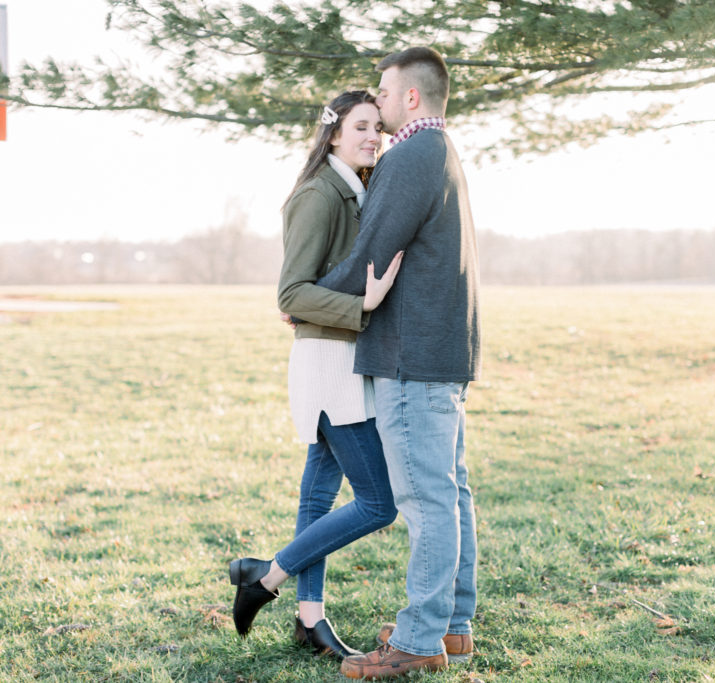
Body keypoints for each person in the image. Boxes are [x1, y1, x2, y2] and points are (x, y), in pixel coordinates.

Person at [314, 48, 482, 679]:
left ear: (411, 96)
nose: (377, 105)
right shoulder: (441, 150)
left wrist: (305, 297)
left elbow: (372, 250)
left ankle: (417, 641)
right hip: (442, 352)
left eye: (383, 93)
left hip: (414, 357)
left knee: (426, 499)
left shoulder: (411, 157)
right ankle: (451, 626)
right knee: (451, 494)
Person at [229, 90, 404, 661]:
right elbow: (291, 292)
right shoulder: (318, 194)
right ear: (332, 134)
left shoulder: (354, 189)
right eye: (361, 127)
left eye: (379, 128)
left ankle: (309, 619)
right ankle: (265, 577)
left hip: (340, 359)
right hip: (330, 363)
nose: (373, 137)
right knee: (379, 503)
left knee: (319, 496)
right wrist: (365, 305)